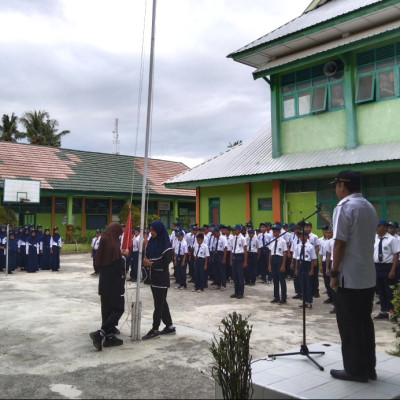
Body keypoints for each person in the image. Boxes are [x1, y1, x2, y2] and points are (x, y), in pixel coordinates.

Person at [329, 170, 378, 383]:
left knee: (349, 325)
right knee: (365, 323)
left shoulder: (344, 207)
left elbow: (339, 242)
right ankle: (369, 368)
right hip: (367, 275)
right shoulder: (368, 206)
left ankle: (354, 370)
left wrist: (333, 272)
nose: (335, 189)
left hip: (348, 276)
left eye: (336, 185)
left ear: (342, 185)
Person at [90, 223, 127, 351]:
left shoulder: (105, 240)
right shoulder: (113, 243)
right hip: (114, 283)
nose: (121, 234)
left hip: (104, 281)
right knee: (118, 308)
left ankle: (109, 337)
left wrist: (119, 254)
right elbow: (117, 265)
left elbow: (105, 260)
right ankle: (100, 333)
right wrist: (124, 256)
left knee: (106, 309)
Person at [142, 220, 175, 340]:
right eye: (150, 230)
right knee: (162, 302)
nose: (152, 232)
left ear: (159, 230)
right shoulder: (151, 241)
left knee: (158, 304)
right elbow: (147, 255)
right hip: (153, 277)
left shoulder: (165, 244)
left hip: (161, 277)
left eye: (153, 230)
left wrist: (151, 264)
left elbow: (166, 261)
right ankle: (170, 326)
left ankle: (155, 329)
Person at [373, 219, 400, 320]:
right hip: (377, 266)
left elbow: (396, 255)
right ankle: (383, 310)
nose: (376, 228)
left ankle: (392, 312)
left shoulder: (391, 239)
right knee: (381, 290)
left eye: (378, 226)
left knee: (389, 291)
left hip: (388, 267)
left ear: (384, 227)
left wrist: (393, 270)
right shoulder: (374, 238)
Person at [268, 223, 288, 304]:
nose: (275, 233)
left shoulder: (283, 241)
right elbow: (270, 252)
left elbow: (285, 253)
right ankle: (276, 296)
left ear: (279, 232)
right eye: (274, 231)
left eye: (276, 231)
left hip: (279, 259)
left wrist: (283, 265)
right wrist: (269, 264)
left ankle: (283, 297)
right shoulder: (271, 240)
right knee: (275, 279)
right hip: (273, 258)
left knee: (282, 280)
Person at [230, 224, 247, 299]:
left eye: (235, 230)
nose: (234, 231)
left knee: (240, 276)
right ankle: (236, 291)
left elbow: (245, 250)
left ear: (239, 230)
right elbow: (232, 248)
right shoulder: (233, 238)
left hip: (240, 256)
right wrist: (231, 259)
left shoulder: (242, 238)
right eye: (233, 230)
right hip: (234, 256)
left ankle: (241, 292)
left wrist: (245, 261)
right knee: (235, 275)